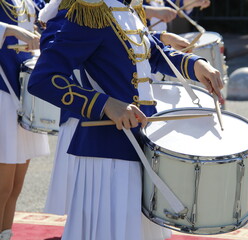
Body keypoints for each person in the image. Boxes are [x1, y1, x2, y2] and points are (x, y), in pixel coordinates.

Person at [28, 0, 224, 239]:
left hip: (143, 141)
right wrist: (104, 104)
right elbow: (43, 79)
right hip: (108, 151)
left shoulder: (129, 10)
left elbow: (150, 52)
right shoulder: (91, 13)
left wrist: (195, 65)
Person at [0, 0, 50, 239]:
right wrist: (10, 30)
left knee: (15, 186)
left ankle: (5, 233)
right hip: (2, 91)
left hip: (25, 92)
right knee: (2, 187)